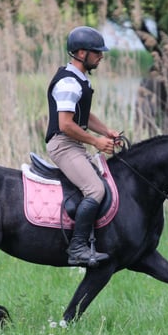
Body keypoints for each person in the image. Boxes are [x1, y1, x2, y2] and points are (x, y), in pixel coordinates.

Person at [45, 26, 121, 267]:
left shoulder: (79, 79)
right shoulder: (69, 83)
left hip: (73, 144)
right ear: (80, 53)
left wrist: (106, 131)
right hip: (64, 145)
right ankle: (77, 248)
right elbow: (66, 124)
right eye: (96, 52)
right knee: (95, 190)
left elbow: (83, 115)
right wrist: (97, 142)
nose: (101, 56)